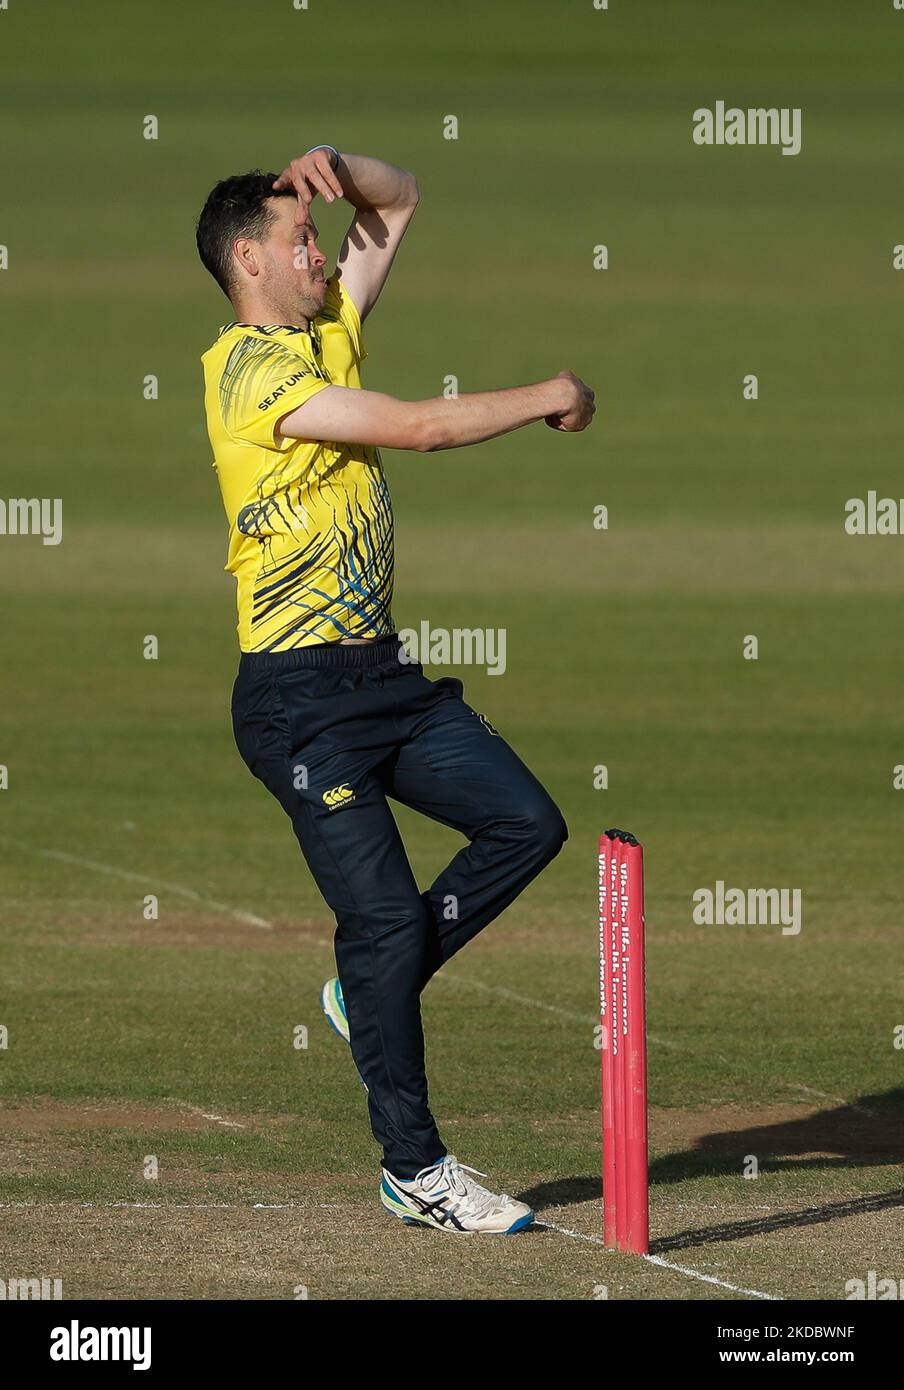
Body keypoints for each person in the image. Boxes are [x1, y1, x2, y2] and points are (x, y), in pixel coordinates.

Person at [196, 145, 595, 1233]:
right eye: (297, 241)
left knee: (526, 822)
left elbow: (400, 198)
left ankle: (373, 986)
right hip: (296, 702)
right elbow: (419, 427)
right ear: (249, 259)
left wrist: (338, 162)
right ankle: (415, 1170)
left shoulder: (323, 329)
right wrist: (553, 392)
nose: (318, 253)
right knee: (376, 918)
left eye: (316, 236)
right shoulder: (247, 372)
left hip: (385, 679)